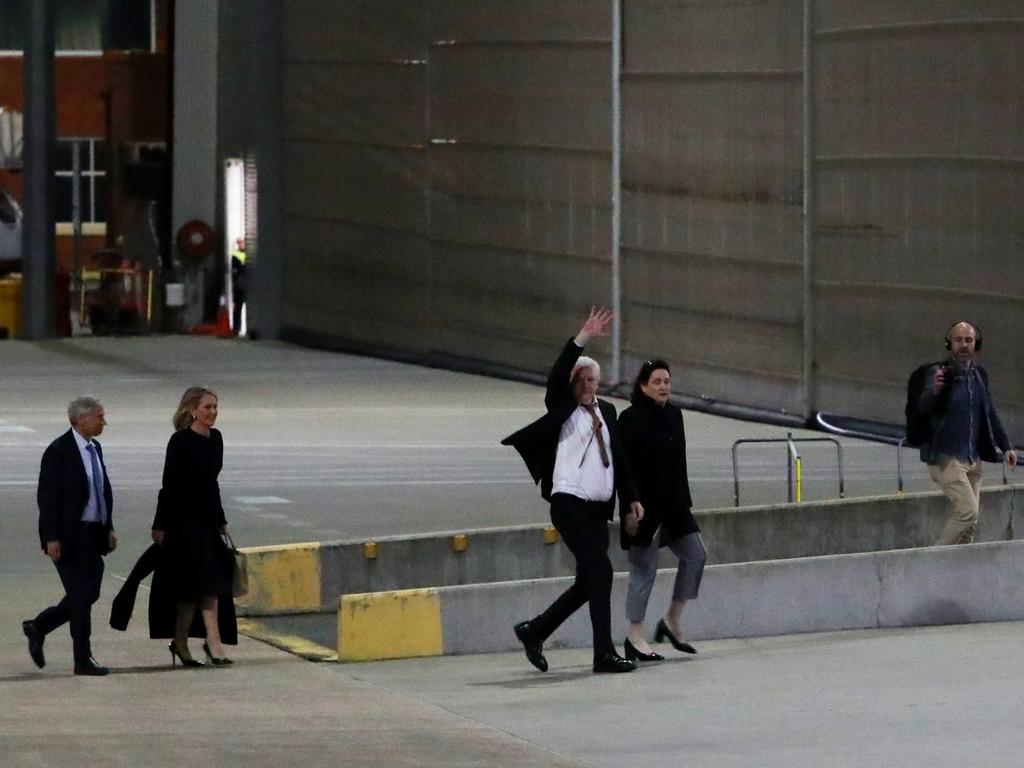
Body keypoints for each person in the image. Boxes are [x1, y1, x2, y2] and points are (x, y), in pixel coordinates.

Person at [502, 307, 644, 674]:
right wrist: (582, 337)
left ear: (599, 383)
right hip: (568, 503)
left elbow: (621, 461)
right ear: (572, 384)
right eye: (580, 381)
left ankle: (535, 630)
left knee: (592, 579)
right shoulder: (563, 408)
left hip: (598, 510)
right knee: (602, 572)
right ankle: (603, 654)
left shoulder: (608, 413)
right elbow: (558, 374)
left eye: (592, 381)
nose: (587, 387)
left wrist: (633, 501)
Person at [618, 360, 706, 662]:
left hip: (674, 505)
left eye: (666, 381)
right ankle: (635, 635)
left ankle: (671, 620)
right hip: (643, 507)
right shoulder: (628, 419)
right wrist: (630, 504)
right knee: (644, 570)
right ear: (643, 386)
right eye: (656, 381)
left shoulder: (675, 415)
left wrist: (684, 503)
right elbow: (624, 467)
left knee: (696, 555)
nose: (663, 386)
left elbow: (678, 463)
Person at [23, 397, 117, 675]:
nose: (104, 421)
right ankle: (82, 659)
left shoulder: (94, 448)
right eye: (99, 416)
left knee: (89, 594)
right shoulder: (59, 451)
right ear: (80, 419)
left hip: (92, 534)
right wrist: (51, 538)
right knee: (80, 595)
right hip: (67, 537)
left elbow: (102, 491)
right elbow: (48, 499)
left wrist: (108, 526)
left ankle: (39, 626)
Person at [150, 387, 237, 667]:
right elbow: (169, 485)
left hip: (208, 522)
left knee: (209, 585)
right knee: (189, 589)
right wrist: (160, 524)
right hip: (183, 524)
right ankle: (183, 641)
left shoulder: (216, 439)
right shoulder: (180, 442)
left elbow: (212, 483)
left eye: (215, 407)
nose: (213, 412)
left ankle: (211, 643)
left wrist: (221, 520)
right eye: (207, 407)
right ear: (192, 411)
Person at [917, 321, 1017, 545]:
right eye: (958, 340)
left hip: (973, 459)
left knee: (969, 526)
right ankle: (931, 560)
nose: (964, 345)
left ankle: (957, 570)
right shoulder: (938, 373)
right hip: (946, 458)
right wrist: (935, 390)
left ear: (976, 344)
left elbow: (990, 412)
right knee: (968, 512)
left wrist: (1006, 446)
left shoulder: (979, 375)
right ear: (949, 343)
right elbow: (923, 408)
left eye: (969, 340)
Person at [230, 237, 247, 335]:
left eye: (243, 242)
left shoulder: (250, 254)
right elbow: (235, 271)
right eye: (240, 243)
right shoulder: (235, 255)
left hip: (246, 284)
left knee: (239, 307)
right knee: (238, 307)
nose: (241, 244)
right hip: (240, 285)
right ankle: (237, 328)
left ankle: (238, 327)